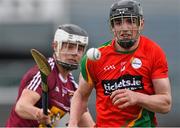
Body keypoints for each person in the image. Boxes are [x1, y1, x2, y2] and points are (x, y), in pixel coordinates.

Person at [68, 0, 172, 127]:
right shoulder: (94, 59)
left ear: (141, 24)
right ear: (112, 27)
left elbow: (166, 104)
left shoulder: (154, 53)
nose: (124, 28)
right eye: (118, 22)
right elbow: (80, 96)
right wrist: (73, 123)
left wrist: (137, 97)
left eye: (131, 21)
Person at [6, 24, 95, 127]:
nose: (75, 53)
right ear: (56, 46)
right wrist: (37, 113)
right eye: (69, 47)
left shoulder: (73, 88)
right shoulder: (44, 73)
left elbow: (90, 125)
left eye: (80, 49)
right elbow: (21, 107)